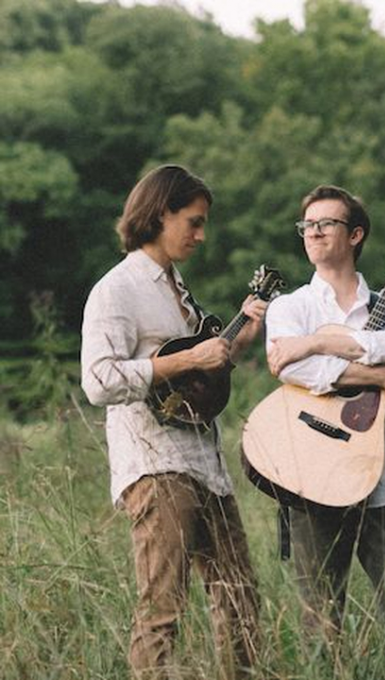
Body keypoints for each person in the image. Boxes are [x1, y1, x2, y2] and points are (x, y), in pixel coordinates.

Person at [81, 165, 264, 680]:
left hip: (205, 465)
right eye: (194, 221)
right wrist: (187, 361)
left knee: (240, 599)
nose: (201, 235)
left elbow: (196, 377)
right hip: (155, 467)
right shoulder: (116, 290)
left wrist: (235, 342)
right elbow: (98, 381)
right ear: (159, 214)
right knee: (163, 609)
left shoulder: (176, 288)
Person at [265, 185, 385, 679]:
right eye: (307, 226)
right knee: (321, 626)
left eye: (325, 224)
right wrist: (378, 373)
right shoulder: (290, 307)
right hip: (313, 481)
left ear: (355, 234)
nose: (313, 233)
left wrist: (320, 346)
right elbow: (296, 371)